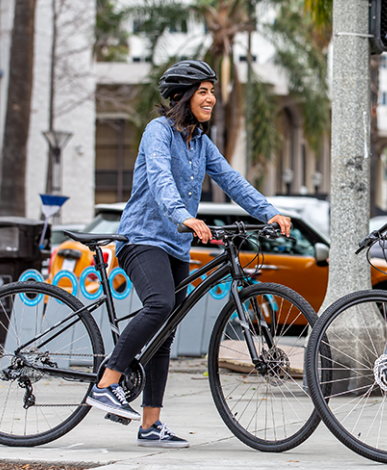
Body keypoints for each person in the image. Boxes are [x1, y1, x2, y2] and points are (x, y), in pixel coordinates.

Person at [83, 60, 291, 448]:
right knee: (160, 304)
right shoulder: (157, 132)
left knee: (165, 331)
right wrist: (184, 216)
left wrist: (270, 212)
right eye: (203, 90)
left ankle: (150, 426)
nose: (211, 97)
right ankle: (107, 382)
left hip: (176, 245)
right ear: (181, 96)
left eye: (212, 91)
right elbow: (161, 179)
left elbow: (231, 179)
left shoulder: (200, 142)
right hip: (142, 239)